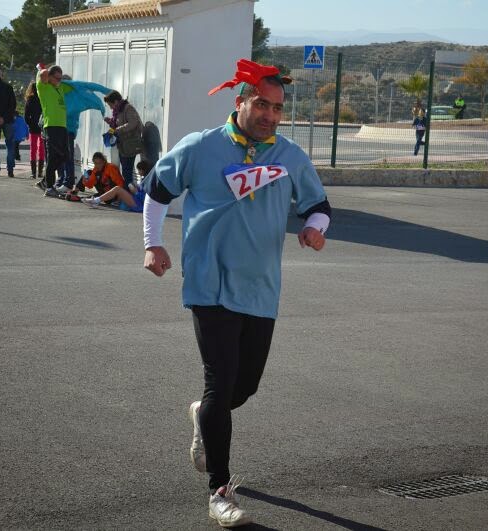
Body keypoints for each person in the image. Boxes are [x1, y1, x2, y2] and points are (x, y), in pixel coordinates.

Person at [142, 58, 330, 528]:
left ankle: (204, 416)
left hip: (261, 286)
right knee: (220, 381)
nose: (270, 115)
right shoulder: (201, 146)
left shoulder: (290, 156)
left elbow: (319, 205)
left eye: (278, 108)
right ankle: (220, 491)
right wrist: (152, 243)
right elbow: (157, 190)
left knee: (243, 387)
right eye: (262, 104)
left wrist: (314, 228)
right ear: (241, 101)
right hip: (208, 283)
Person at [54, 77, 112, 194]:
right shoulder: (65, 95)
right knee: (62, 156)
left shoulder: (72, 91)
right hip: (64, 128)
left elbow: (91, 86)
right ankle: (63, 181)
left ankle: (67, 183)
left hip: (68, 129)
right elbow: (92, 86)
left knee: (66, 156)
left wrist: (108, 92)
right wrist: (107, 91)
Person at [35, 64, 73, 195]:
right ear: (50, 77)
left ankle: (45, 181)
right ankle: (49, 188)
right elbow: (43, 74)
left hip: (62, 126)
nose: (59, 81)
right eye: (56, 78)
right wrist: (43, 69)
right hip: (51, 126)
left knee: (65, 156)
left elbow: (74, 85)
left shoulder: (60, 87)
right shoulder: (43, 87)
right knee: (52, 157)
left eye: (60, 78)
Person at [104, 91, 143, 189]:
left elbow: (133, 123)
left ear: (116, 101)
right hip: (123, 145)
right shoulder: (118, 110)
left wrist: (117, 130)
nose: (110, 107)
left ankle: (128, 194)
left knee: (127, 172)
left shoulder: (128, 108)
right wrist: (110, 122)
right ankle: (127, 193)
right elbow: (118, 123)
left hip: (130, 145)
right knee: (126, 172)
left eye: (110, 104)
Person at [83, 158, 150, 210]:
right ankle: (96, 201)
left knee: (118, 189)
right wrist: (136, 188)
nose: (138, 172)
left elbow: (147, 198)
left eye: (139, 170)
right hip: (138, 201)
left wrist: (136, 192)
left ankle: (95, 201)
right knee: (119, 189)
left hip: (140, 205)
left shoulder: (148, 181)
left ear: (142, 170)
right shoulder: (145, 179)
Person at [24, 82, 45, 180]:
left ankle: (33, 173)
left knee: (33, 149)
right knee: (41, 149)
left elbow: (26, 115)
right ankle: (40, 172)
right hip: (42, 126)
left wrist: (30, 124)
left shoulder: (30, 99)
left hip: (33, 127)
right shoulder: (43, 98)